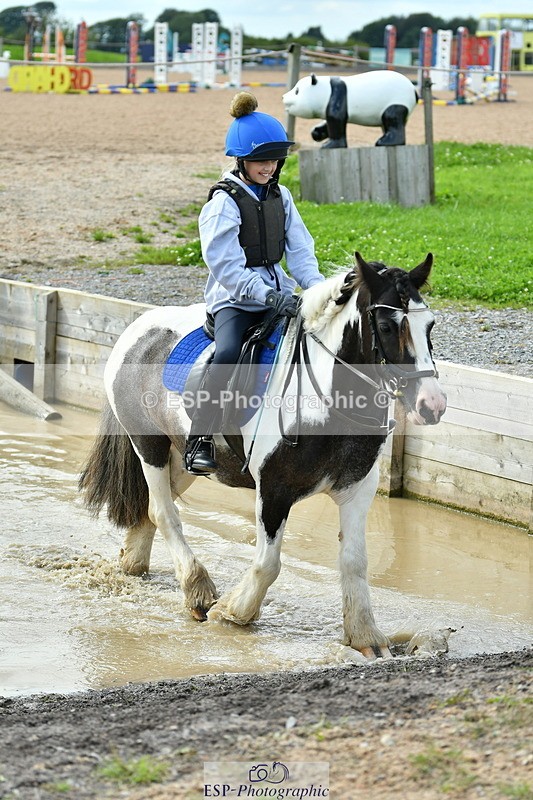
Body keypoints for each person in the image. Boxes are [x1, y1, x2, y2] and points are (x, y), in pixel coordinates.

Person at [184, 91, 325, 475]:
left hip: (278, 294)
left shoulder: (282, 196)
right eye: (262, 160)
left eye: (275, 159)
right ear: (241, 159)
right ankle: (199, 438)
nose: (270, 166)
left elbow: (300, 250)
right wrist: (266, 294)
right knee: (229, 353)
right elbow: (225, 267)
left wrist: (316, 290)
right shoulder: (222, 203)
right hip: (234, 300)